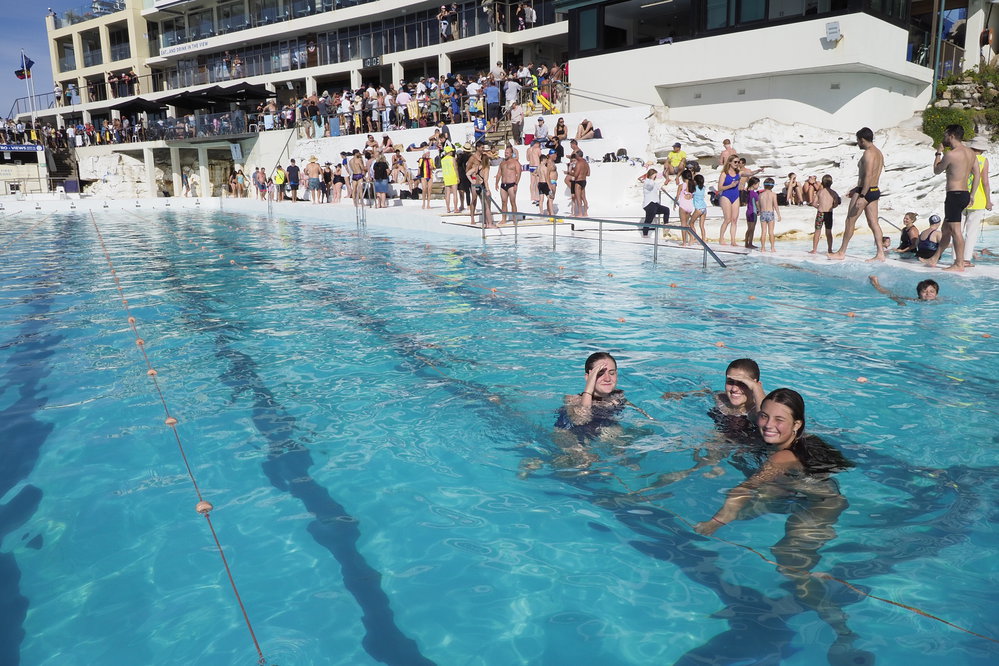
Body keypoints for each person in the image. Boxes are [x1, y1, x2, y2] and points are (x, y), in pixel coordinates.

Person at [923, 124, 980, 271]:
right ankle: (934, 259)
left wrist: (938, 153)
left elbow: (936, 170)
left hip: (954, 196)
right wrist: (972, 194)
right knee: (946, 229)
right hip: (965, 194)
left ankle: (959, 263)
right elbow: (977, 175)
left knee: (955, 231)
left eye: (945, 135)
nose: (944, 137)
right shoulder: (971, 153)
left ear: (952, 135)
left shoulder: (951, 154)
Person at [553, 353, 628, 462]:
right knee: (584, 464)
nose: (607, 378)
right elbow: (581, 419)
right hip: (569, 436)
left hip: (597, 432)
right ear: (588, 377)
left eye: (612, 373)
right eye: (599, 373)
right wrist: (589, 388)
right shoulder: (573, 399)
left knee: (622, 443)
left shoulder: (617, 398)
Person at [829, 127, 887, 261]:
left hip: (864, 191)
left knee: (850, 220)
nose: (858, 144)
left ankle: (841, 252)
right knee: (873, 223)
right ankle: (880, 254)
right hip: (874, 190)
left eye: (858, 141)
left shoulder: (868, 153)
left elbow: (867, 176)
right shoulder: (879, 153)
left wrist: (861, 195)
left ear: (862, 140)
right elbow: (872, 176)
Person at [962, 136, 992, 267]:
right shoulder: (983, 161)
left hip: (961, 197)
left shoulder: (963, 158)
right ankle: (966, 259)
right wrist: (988, 201)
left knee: (957, 230)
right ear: (982, 149)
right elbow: (985, 182)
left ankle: (955, 259)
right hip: (978, 200)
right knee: (971, 232)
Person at [808, 174, 840, 254]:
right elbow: (836, 203)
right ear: (831, 183)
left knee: (817, 231)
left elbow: (814, 203)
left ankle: (814, 249)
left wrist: (818, 207)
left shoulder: (820, 192)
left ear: (822, 183)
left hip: (820, 213)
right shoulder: (833, 193)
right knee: (828, 232)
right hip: (829, 213)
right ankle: (830, 249)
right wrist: (832, 206)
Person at [467, 143, 495, 227]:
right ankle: (486, 222)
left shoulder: (479, 163)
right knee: (475, 201)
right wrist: (472, 180)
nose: (483, 149)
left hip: (477, 183)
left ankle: (486, 222)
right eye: (482, 147)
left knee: (484, 204)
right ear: (477, 147)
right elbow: (467, 169)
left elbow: (468, 173)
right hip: (478, 184)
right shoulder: (473, 158)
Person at [716, 154, 742, 245]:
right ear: (730, 162)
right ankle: (721, 238)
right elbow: (719, 188)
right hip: (726, 196)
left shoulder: (738, 173)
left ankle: (733, 240)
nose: (737, 163)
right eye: (735, 162)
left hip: (735, 196)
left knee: (734, 219)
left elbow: (748, 173)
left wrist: (757, 171)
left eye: (738, 162)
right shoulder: (724, 174)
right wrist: (731, 185)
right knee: (728, 219)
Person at [494, 144, 522, 224]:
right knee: (503, 202)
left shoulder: (515, 162)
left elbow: (519, 173)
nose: (505, 154)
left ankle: (514, 219)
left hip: (511, 184)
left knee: (512, 202)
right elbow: (499, 173)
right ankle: (503, 219)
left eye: (507, 153)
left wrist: (516, 184)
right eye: (505, 152)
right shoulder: (502, 163)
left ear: (511, 154)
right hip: (503, 185)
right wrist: (496, 183)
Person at [640, 168, 671, 237]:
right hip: (649, 204)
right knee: (649, 219)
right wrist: (651, 178)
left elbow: (659, 186)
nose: (655, 177)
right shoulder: (647, 182)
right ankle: (645, 234)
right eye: (655, 175)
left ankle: (666, 226)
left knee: (666, 210)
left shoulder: (653, 182)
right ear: (651, 175)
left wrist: (663, 187)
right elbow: (650, 186)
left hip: (655, 204)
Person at [868, 275, 940, 305]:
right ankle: (876, 284)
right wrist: (900, 302)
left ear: (936, 294)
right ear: (918, 294)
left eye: (932, 291)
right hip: (901, 297)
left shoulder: (939, 300)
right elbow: (894, 297)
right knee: (889, 294)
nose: (928, 293)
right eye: (924, 291)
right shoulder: (916, 300)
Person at [756, 177, 780, 253]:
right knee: (771, 232)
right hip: (770, 213)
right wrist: (779, 214)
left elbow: (758, 204)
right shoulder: (773, 194)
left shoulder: (760, 195)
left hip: (763, 213)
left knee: (763, 232)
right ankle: (772, 248)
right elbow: (775, 205)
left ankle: (763, 248)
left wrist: (759, 211)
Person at [676, 168, 695, 246]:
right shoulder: (692, 185)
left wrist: (674, 202)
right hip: (690, 206)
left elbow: (677, 197)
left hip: (683, 206)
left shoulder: (681, 185)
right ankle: (691, 236)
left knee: (683, 224)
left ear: (683, 177)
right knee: (686, 224)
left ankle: (684, 242)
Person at [743, 176, 761, 249]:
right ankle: (750, 243)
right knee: (752, 229)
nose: (758, 186)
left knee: (748, 228)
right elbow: (756, 203)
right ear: (754, 184)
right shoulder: (754, 194)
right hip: (753, 212)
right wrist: (759, 210)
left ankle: (746, 243)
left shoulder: (747, 192)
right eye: (757, 184)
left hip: (748, 212)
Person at [537, 150, 556, 217]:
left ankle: (541, 213)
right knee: (550, 198)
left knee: (541, 200)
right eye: (545, 160)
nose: (546, 161)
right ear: (543, 160)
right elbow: (547, 178)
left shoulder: (538, 167)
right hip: (545, 183)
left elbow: (534, 173)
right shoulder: (545, 168)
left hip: (539, 184)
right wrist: (550, 187)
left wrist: (539, 176)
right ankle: (552, 213)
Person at [441, 144, 459, 213]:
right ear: (449, 152)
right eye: (451, 151)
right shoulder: (452, 159)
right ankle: (455, 208)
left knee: (447, 194)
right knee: (455, 194)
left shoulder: (442, 160)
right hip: (453, 176)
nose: (452, 152)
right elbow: (455, 168)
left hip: (446, 177)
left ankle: (448, 208)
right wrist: (457, 177)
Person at [690, 173, 708, 243]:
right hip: (704, 208)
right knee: (702, 225)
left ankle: (694, 237)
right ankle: (703, 239)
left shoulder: (695, 189)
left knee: (691, 223)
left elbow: (691, 195)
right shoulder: (703, 188)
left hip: (698, 209)